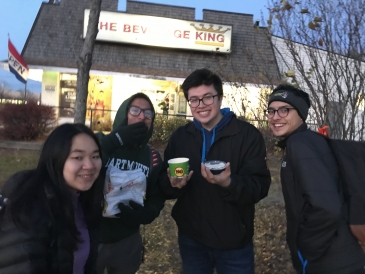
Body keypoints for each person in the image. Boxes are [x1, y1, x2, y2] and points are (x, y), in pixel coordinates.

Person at [158, 68, 271, 273]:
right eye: (194, 100)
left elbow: (260, 186)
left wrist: (229, 183)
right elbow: (165, 182)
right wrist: (173, 185)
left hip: (234, 242)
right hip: (192, 239)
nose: (201, 105)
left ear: (219, 98)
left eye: (207, 97)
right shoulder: (181, 138)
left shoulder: (247, 136)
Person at [267, 84, 365, 273]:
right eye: (271, 111)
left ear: (301, 114)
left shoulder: (299, 144)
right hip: (342, 256)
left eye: (284, 110)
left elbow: (327, 207)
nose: (275, 117)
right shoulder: (311, 140)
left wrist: (307, 247)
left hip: (329, 261)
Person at [0, 123, 104, 273]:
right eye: (78, 157)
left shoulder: (82, 199)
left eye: (95, 156)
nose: (89, 165)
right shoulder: (30, 205)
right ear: (56, 159)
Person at [96, 93, 165, 274]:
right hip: (93, 237)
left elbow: (156, 198)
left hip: (128, 239)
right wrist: (113, 141)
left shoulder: (153, 157)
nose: (142, 116)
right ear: (123, 113)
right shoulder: (100, 142)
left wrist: (146, 214)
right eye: (135, 110)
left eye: (148, 113)